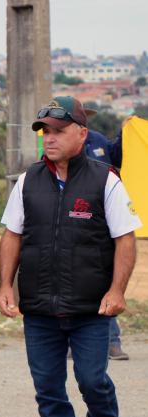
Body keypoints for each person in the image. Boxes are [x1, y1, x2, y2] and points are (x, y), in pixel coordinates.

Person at [0, 97, 140, 417]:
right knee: (49, 389)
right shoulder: (29, 181)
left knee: (93, 381)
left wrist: (117, 291)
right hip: (40, 308)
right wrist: (5, 286)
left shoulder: (105, 180)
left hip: (91, 307)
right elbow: (11, 235)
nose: (50, 138)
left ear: (81, 133)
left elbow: (125, 240)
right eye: (45, 131)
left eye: (59, 131)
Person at [83, 123, 128, 361]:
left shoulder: (99, 139)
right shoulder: (58, 146)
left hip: (104, 217)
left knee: (104, 279)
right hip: (75, 221)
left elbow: (118, 156)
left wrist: (124, 134)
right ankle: (73, 343)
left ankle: (112, 342)